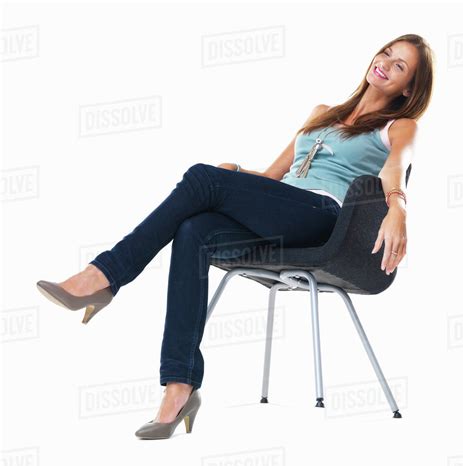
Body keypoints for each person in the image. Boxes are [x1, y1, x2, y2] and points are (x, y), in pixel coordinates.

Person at [36, 33, 434, 440]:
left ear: (408, 88)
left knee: (201, 178)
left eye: (400, 65)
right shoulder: (321, 113)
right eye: (387, 52)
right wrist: (238, 173)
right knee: (194, 230)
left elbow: (395, 166)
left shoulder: (398, 126)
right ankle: (180, 387)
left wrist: (398, 207)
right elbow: (271, 178)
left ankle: (103, 276)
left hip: (322, 220)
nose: (386, 63)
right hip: (281, 211)